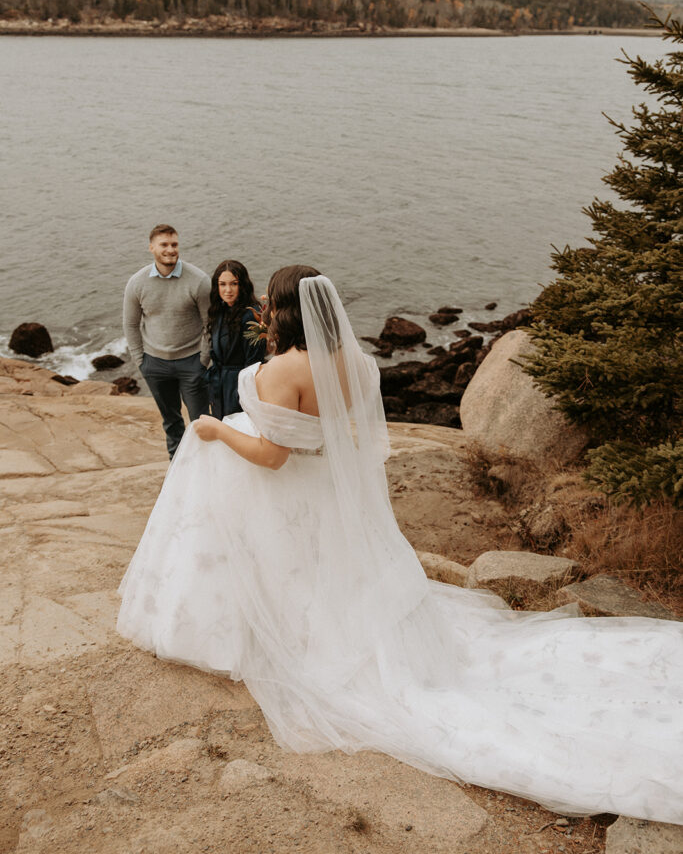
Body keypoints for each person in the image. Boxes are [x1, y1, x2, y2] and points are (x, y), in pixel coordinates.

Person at [117, 266, 682, 825]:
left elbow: (271, 456)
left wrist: (214, 429)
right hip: (335, 494)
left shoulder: (283, 369)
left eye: (269, 300)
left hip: (290, 494)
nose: (261, 305)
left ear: (285, 310)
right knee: (334, 573)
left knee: (271, 546)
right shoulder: (358, 364)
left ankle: (241, 630)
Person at [123, 224, 210, 459]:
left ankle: (206, 467)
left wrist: (203, 360)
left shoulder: (199, 281)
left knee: (201, 421)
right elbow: (131, 325)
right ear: (151, 248)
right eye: (164, 245)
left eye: (174, 244)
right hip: (155, 364)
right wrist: (140, 360)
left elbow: (209, 324)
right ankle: (177, 469)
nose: (170, 250)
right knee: (171, 422)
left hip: (192, 362)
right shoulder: (137, 283)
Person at [206, 260, 266, 420]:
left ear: (243, 285)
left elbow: (254, 362)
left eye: (234, 284)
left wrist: (243, 394)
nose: (228, 290)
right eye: (222, 284)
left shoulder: (252, 315)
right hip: (220, 385)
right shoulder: (219, 311)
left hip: (239, 387)